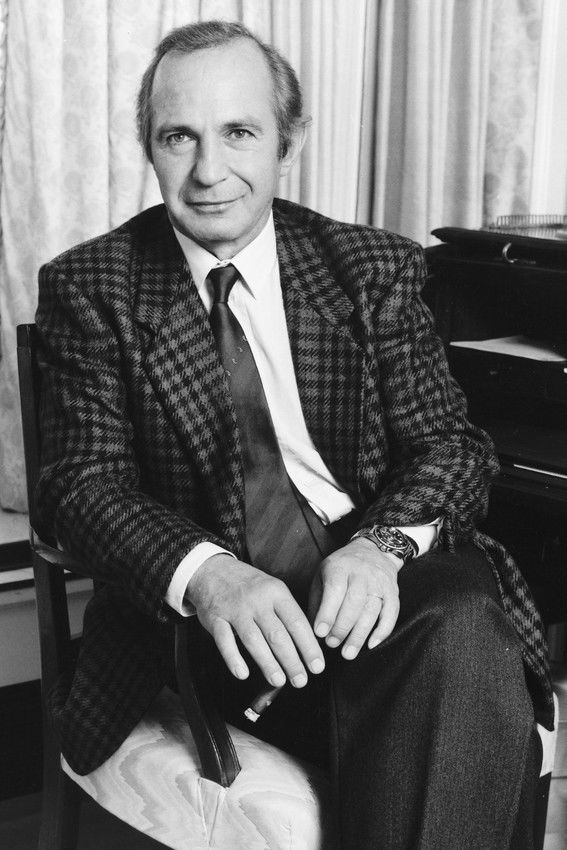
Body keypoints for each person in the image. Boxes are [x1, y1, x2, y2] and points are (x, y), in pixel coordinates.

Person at [35, 19, 553, 850]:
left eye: (239, 132)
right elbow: (80, 487)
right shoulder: (92, 287)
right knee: (467, 681)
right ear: (149, 148)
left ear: (289, 141)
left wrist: (381, 546)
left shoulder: (370, 267)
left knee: (456, 624)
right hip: (221, 633)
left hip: (383, 591)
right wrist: (209, 575)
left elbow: (450, 446)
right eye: (179, 137)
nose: (209, 172)